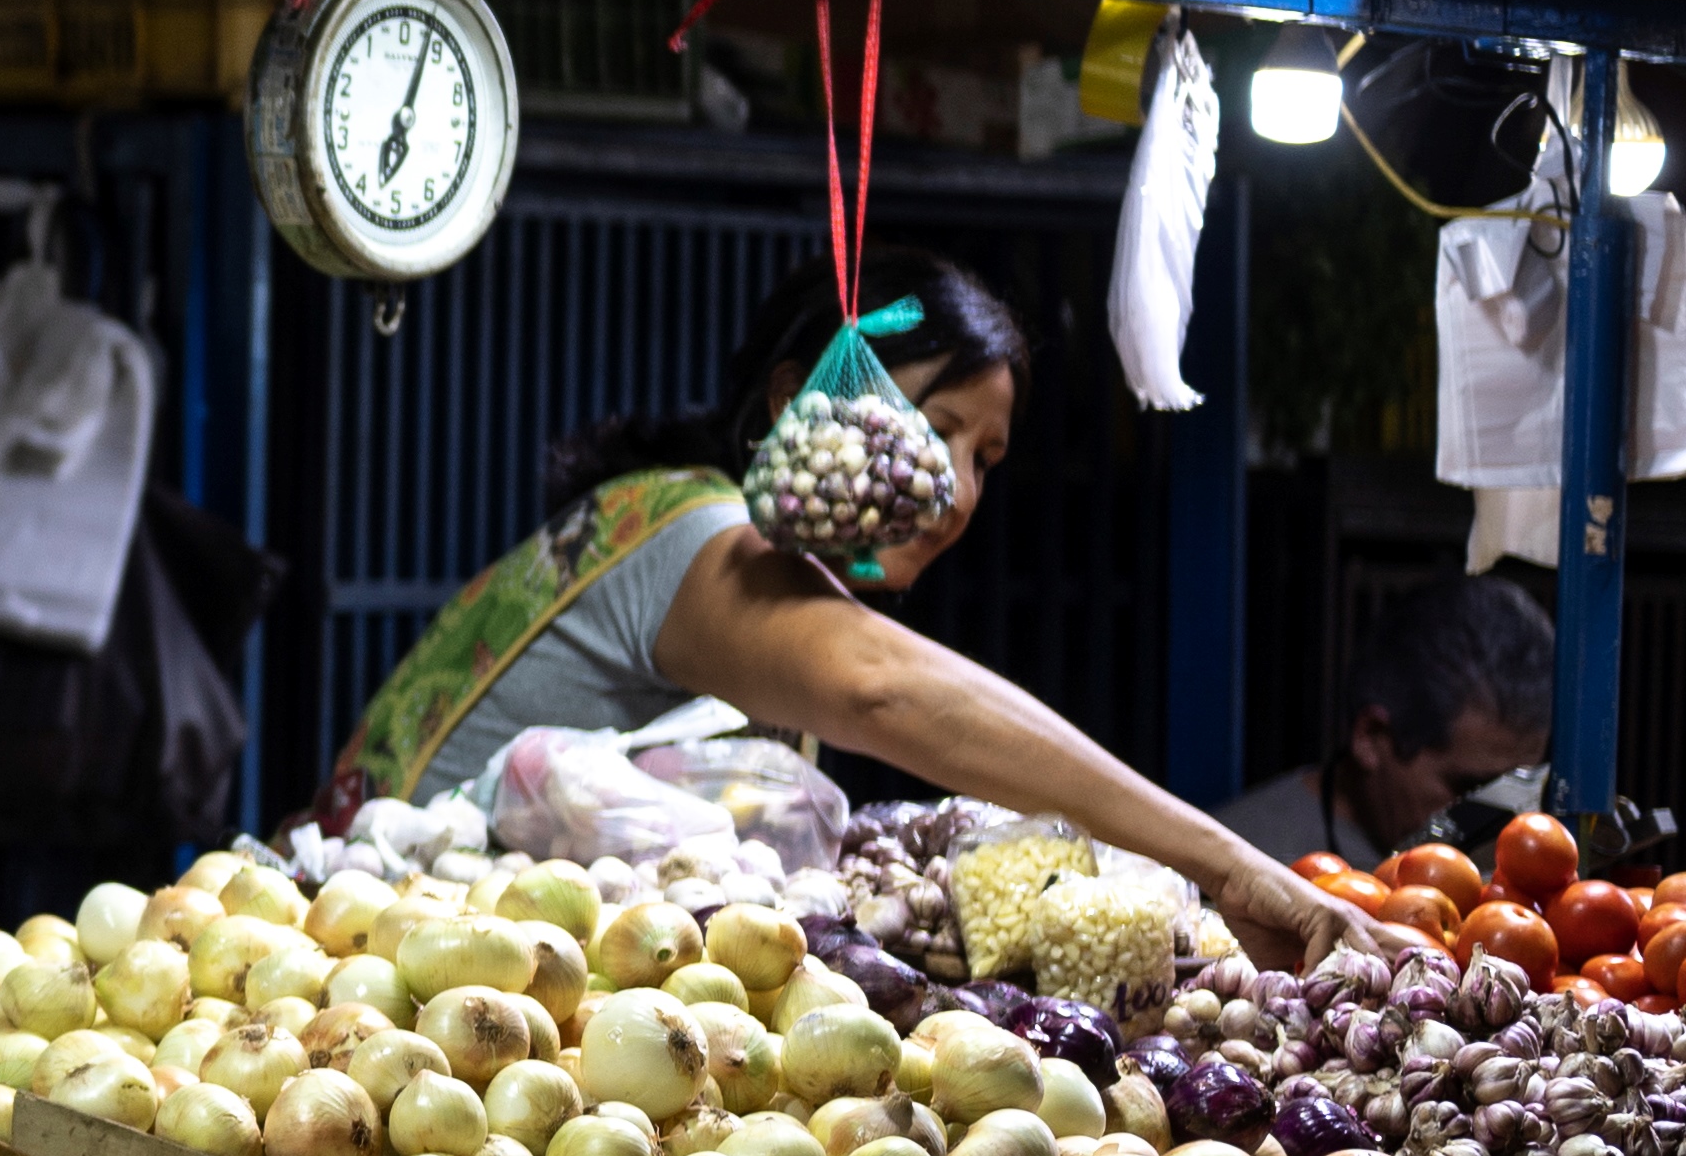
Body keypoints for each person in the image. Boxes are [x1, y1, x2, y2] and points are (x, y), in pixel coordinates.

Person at [320, 255, 1355, 967]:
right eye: (933, 427)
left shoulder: (697, 538)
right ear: (792, 404)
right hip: (366, 959)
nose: (954, 489)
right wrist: (1228, 865)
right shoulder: (696, 533)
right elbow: (888, 685)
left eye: (984, 457)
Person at [1219, 574, 1551, 870]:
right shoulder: (1237, 868)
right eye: (1469, 789)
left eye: (1520, 788)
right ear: (1371, 737)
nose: (1507, 829)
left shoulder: (1514, 869)